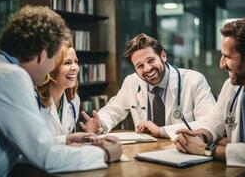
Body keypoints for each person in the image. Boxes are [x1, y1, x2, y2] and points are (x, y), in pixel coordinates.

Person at [0, 5, 122, 176]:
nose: (52, 68)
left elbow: (27, 145)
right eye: (55, 58)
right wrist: (105, 154)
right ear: (42, 54)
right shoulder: (11, 77)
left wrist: (65, 139)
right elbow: (46, 158)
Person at [174, 17, 245, 167]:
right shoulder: (232, 85)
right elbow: (213, 124)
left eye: (227, 56)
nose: (221, 64)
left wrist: (206, 149)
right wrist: (200, 136)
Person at [81, 33, 215, 137]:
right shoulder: (131, 82)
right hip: (146, 154)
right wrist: (100, 124)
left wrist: (162, 131)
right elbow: (113, 110)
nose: (147, 69)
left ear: (163, 56)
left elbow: (210, 123)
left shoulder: (194, 80)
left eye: (151, 60)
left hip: (185, 152)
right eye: (139, 66)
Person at [37, 40, 81, 143]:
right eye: (67, 63)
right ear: (50, 68)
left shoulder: (74, 101)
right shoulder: (33, 101)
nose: (75, 68)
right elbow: (32, 145)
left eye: (76, 62)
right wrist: (66, 140)